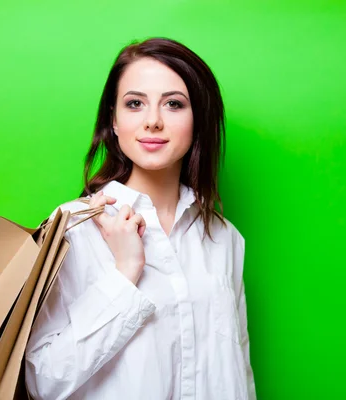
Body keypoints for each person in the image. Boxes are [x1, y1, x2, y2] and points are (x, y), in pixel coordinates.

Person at [24, 37, 256, 400]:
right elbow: (43, 381)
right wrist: (125, 272)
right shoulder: (73, 227)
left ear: (198, 121)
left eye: (174, 104)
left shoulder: (224, 237)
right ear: (113, 121)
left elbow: (238, 369)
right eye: (135, 104)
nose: (153, 121)